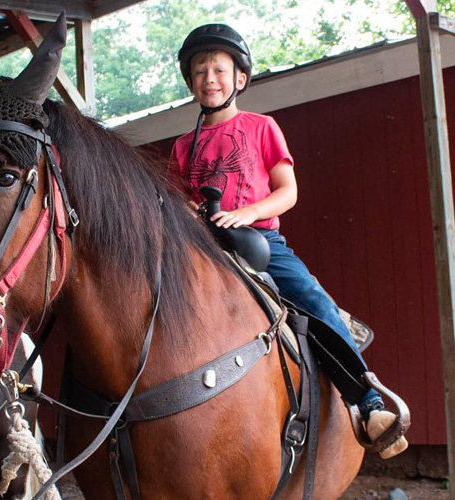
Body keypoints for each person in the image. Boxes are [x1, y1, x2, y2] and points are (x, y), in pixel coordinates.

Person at [167, 23, 408, 459]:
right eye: (199, 72)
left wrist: (248, 213)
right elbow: (180, 198)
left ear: (239, 78)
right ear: (190, 82)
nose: (209, 79)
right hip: (203, 246)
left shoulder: (261, 127)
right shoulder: (184, 146)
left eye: (219, 70)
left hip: (259, 240)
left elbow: (287, 191)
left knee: (312, 298)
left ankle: (368, 404)